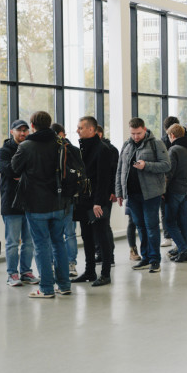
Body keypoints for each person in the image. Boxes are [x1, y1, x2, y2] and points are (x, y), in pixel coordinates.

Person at [11, 111, 72, 298]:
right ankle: (64, 285)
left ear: (32, 125)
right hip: (59, 202)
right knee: (59, 243)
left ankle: (46, 289)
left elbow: (14, 168)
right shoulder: (60, 143)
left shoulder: (26, 146)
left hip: (36, 204)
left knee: (41, 246)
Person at [116, 117, 171, 273]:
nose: (136, 136)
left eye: (138, 133)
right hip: (132, 194)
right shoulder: (126, 145)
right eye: (133, 133)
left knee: (151, 226)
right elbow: (120, 170)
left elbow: (166, 165)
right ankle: (145, 258)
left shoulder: (156, 143)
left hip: (151, 194)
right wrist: (119, 192)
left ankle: (154, 260)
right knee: (140, 226)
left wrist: (146, 165)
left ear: (144, 129)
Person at [71, 116, 114, 287]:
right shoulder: (82, 148)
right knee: (86, 236)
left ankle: (105, 273)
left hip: (97, 201)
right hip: (84, 199)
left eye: (80, 128)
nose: (77, 130)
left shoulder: (102, 149)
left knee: (101, 236)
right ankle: (90, 271)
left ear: (91, 129)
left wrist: (98, 202)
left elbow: (104, 179)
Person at [0, 119, 38, 287]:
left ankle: (26, 272)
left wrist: (22, 175)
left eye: (25, 130)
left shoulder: (30, 148)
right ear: (12, 131)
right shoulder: (4, 151)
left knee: (29, 242)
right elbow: (9, 170)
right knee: (13, 242)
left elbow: (36, 171)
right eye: (19, 130)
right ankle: (12, 274)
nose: (23, 133)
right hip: (11, 202)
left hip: (29, 202)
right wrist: (24, 174)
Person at [164, 123, 187, 262]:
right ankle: (186, 250)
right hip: (186, 189)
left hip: (174, 190)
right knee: (183, 223)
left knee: (169, 222)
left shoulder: (174, 150)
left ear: (172, 135)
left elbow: (169, 173)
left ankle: (183, 249)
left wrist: (163, 189)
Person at [51, 123, 79, 276]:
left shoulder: (71, 150)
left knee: (69, 233)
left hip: (67, 198)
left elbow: (77, 173)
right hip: (52, 198)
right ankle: (53, 264)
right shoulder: (49, 150)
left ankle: (71, 263)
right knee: (55, 234)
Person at [96, 125, 119, 267]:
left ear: (99, 134)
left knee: (104, 224)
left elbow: (114, 171)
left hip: (105, 194)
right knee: (97, 224)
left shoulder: (109, 149)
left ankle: (109, 256)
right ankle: (101, 254)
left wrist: (113, 191)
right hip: (96, 193)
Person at [159, 116, 180, 246]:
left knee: (168, 211)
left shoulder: (164, 143)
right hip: (171, 182)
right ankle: (170, 236)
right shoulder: (162, 142)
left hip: (171, 182)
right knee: (167, 211)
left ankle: (171, 237)